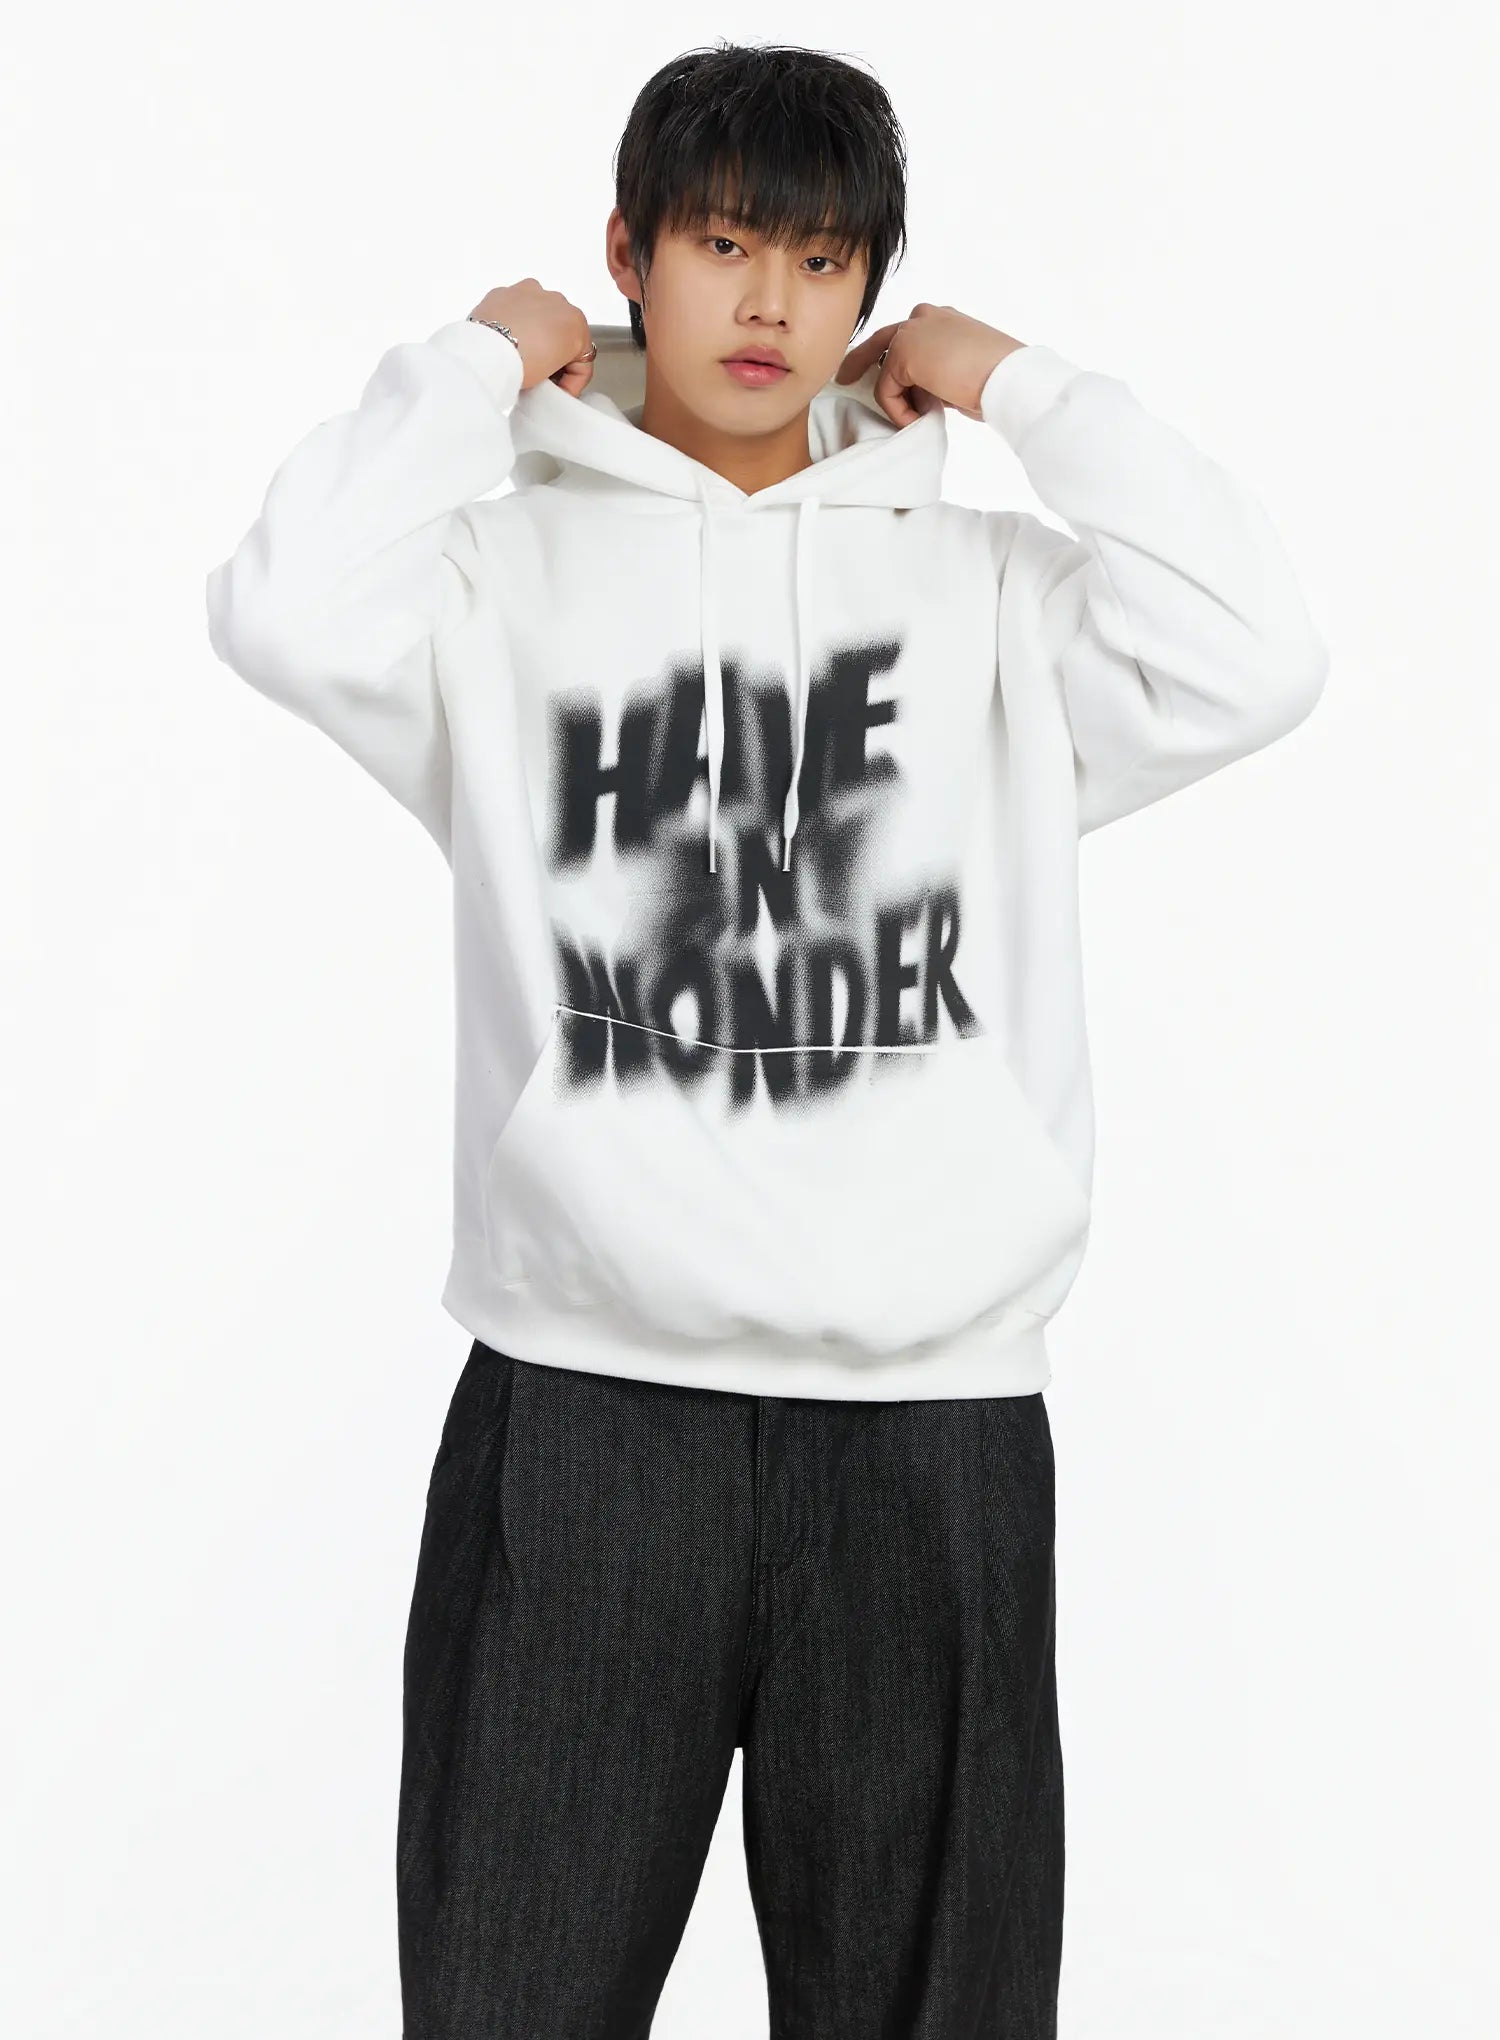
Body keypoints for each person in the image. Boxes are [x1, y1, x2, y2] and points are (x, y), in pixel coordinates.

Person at [204, 39, 1327, 2040]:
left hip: (930, 1426)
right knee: (508, 1995)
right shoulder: (492, 576)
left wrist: (1021, 387)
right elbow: (284, 609)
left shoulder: (991, 591)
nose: (769, 303)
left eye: (821, 261)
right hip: (584, 1407)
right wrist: (474, 364)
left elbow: (1259, 650)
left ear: (870, 285)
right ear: (630, 252)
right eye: (725, 244)